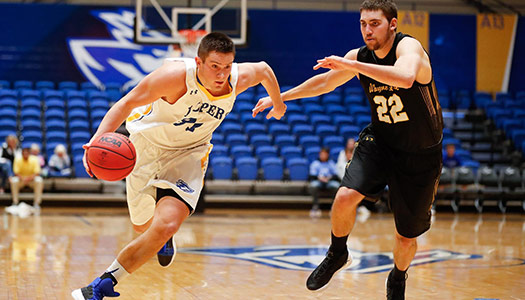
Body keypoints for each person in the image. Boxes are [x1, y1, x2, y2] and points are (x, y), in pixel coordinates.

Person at [71, 32, 286, 300]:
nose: (222, 74)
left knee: (166, 225)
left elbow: (265, 69)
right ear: (198, 62)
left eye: (227, 66)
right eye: (215, 66)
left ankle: (101, 284)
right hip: (145, 148)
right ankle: (161, 239)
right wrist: (95, 142)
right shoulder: (172, 77)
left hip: (189, 153)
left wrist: (278, 103)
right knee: (143, 228)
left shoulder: (237, 78)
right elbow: (125, 103)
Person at [253, 1, 443, 298]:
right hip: (381, 141)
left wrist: (351, 65)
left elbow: (404, 78)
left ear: (392, 24)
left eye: (375, 23)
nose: (368, 30)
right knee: (344, 197)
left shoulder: (410, 49)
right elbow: (325, 83)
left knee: (405, 239)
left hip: (420, 152)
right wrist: (280, 97)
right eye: (363, 24)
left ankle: (398, 276)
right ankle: (337, 252)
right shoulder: (360, 56)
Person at [309, 147, 339, 217]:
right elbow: (311, 175)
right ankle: (315, 205)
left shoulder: (331, 163)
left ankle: (333, 206)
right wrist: (319, 178)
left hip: (329, 182)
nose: (323, 156)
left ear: (327, 155)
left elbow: (336, 175)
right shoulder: (315, 163)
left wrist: (329, 178)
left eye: (325, 154)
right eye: (322, 154)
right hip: (318, 181)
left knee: (336, 186)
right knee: (313, 185)